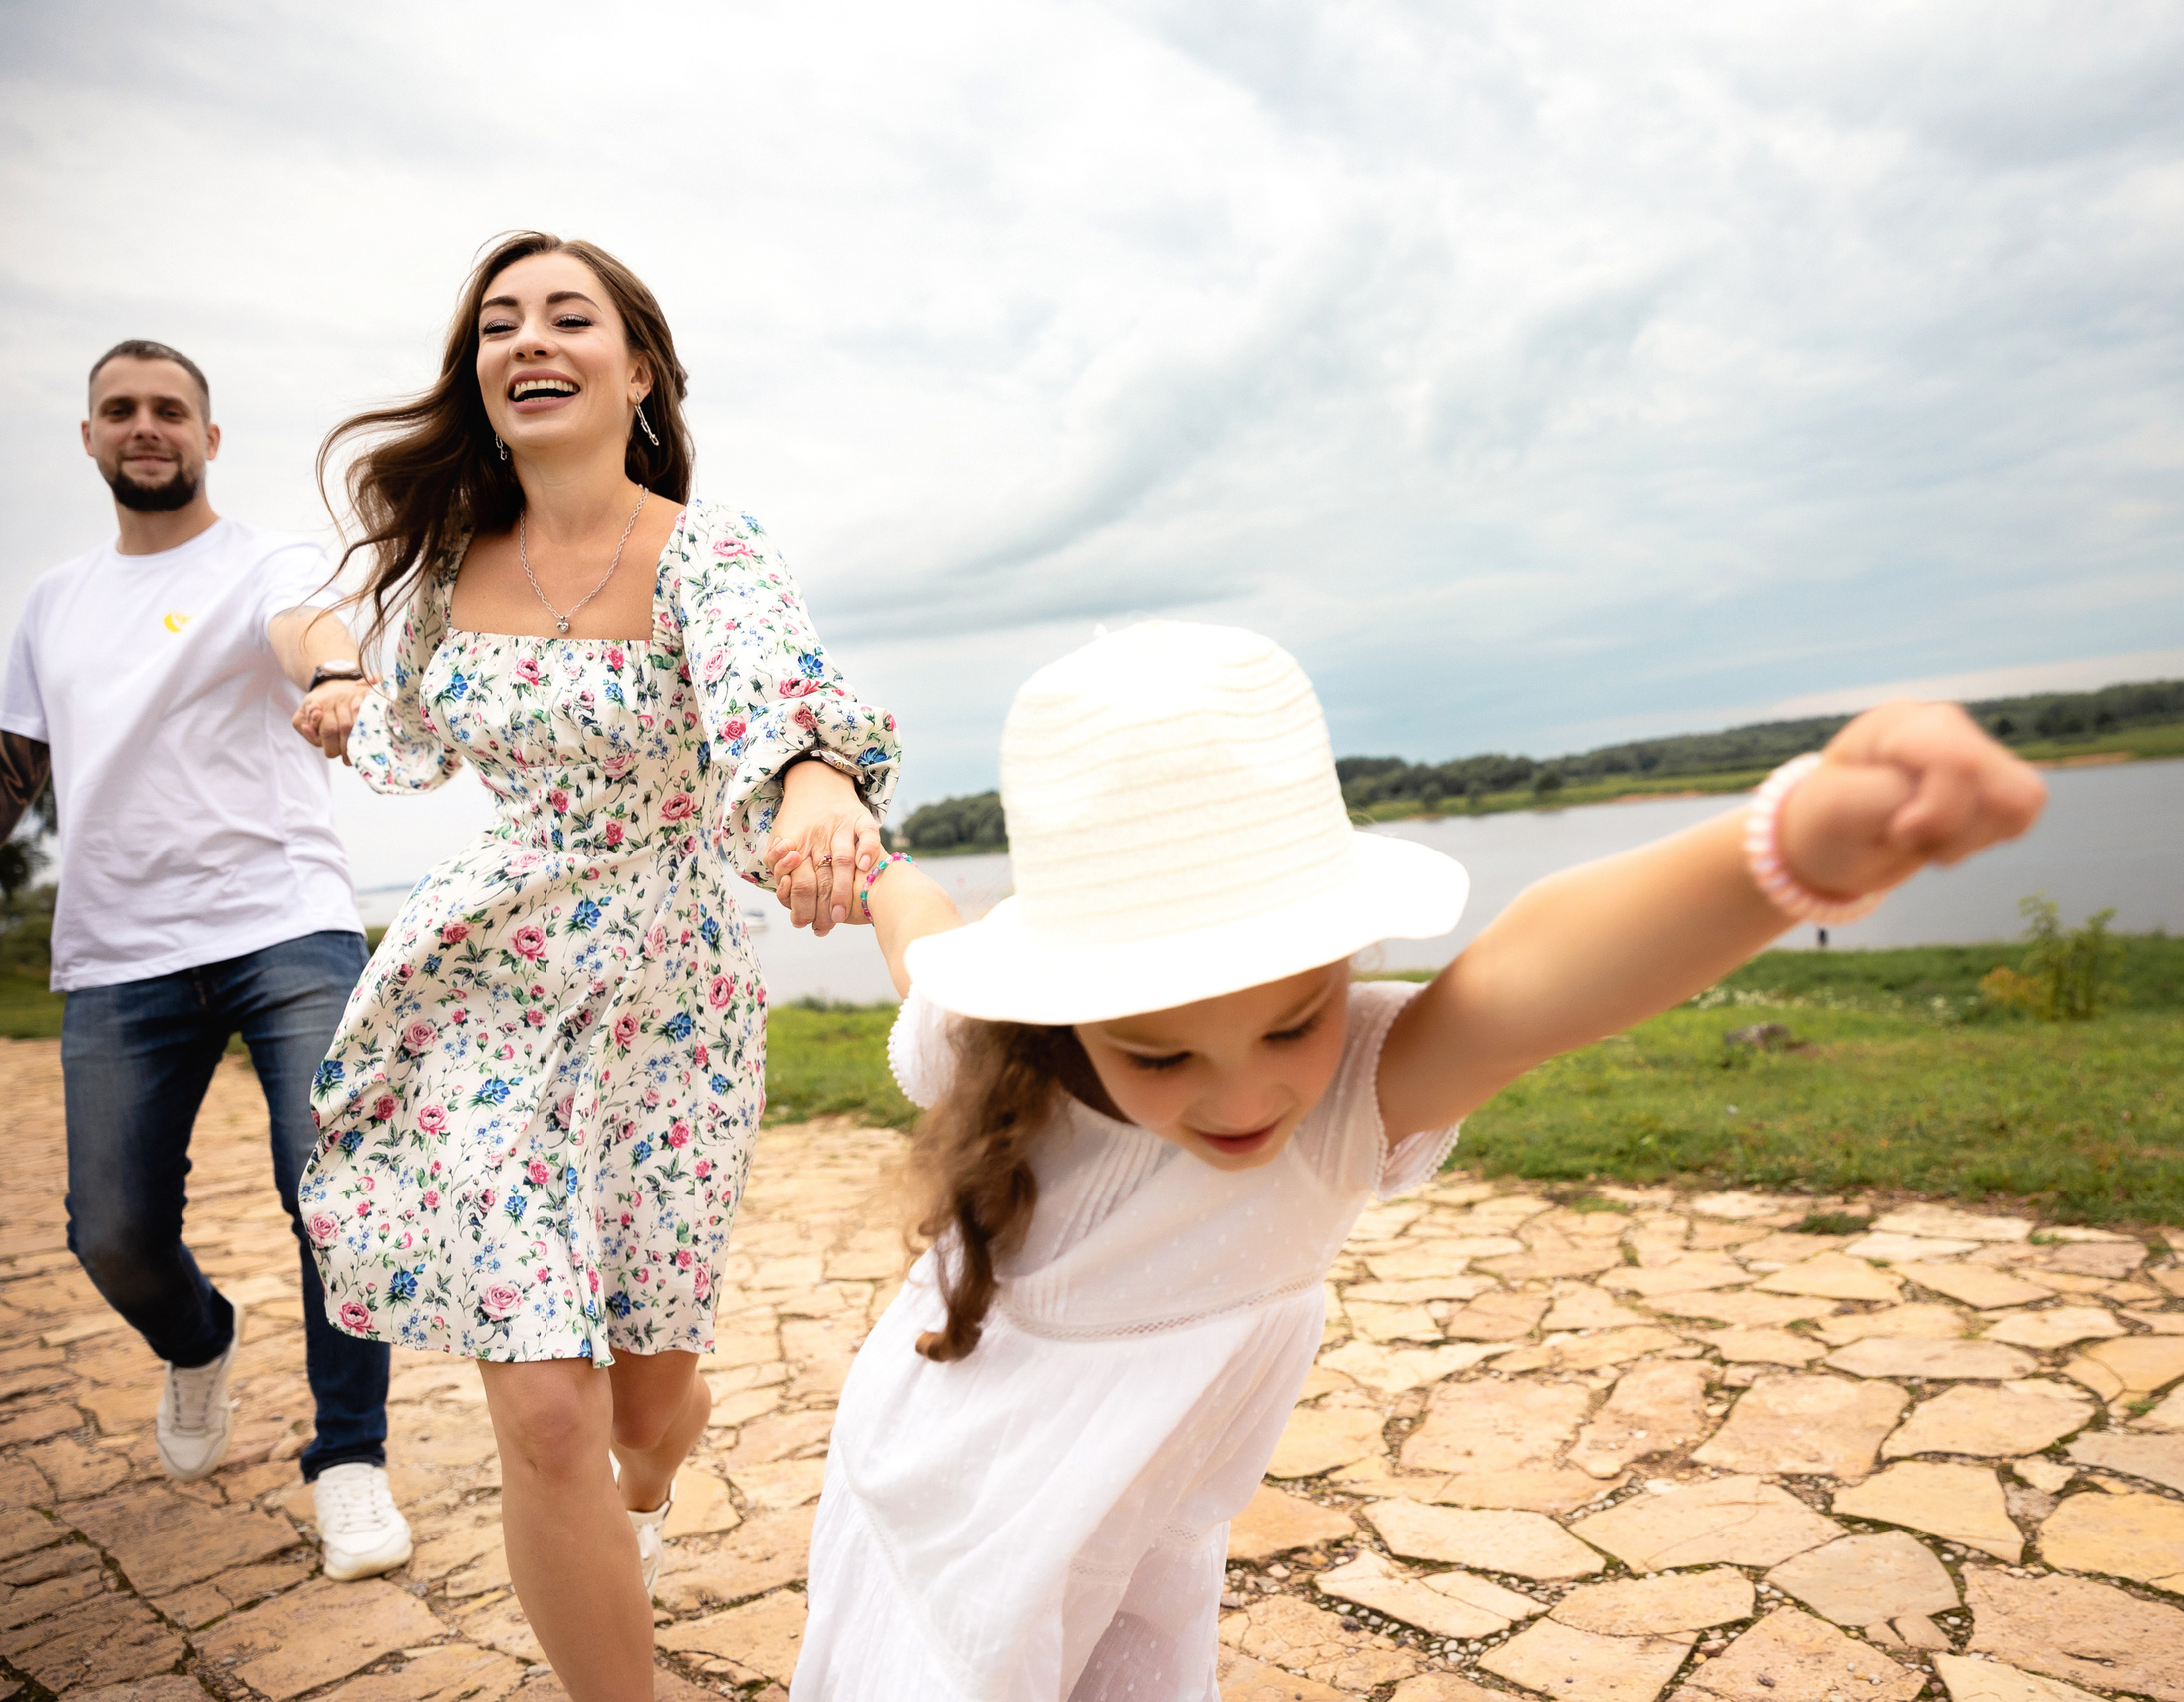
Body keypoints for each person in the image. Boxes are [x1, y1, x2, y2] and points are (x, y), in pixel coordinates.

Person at [793, 622, 2045, 1699]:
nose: (1246, 1094)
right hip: (941, 1489)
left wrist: (1789, 852)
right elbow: (926, 937)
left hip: (1141, 1513)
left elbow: (1529, 979)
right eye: (1157, 1056)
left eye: (1292, 1022)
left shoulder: (1354, 1095)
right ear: (1065, 1012)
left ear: (1342, 967)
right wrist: (880, 867)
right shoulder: (994, 1042)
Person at [294, 230, 899, 1702]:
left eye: (570, 316)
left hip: (668, 1005)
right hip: (487, 989)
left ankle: (652, 1463)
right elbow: (412, 730)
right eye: (499, 322)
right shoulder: (448, 563)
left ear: (640, 371)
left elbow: (779, 692)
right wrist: (323, 676)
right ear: (481, 375)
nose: (529, 339)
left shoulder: (711, 549)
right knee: (547, 1413)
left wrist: (816, 779)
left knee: (646, 1397)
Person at [0, 341, 411, 1579]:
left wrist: (337, 674)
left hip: (282, 917)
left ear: (209, 438)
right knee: (112, 1232)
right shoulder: (50, 604)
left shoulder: (262, 559)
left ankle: (350, 1459)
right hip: (118, 947)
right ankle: (197, 1340)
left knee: (330, 1189)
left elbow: (306, 625)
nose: (145, 426)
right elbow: (15, 770)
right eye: (119, 410)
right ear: (86, 438)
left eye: (169, 409)